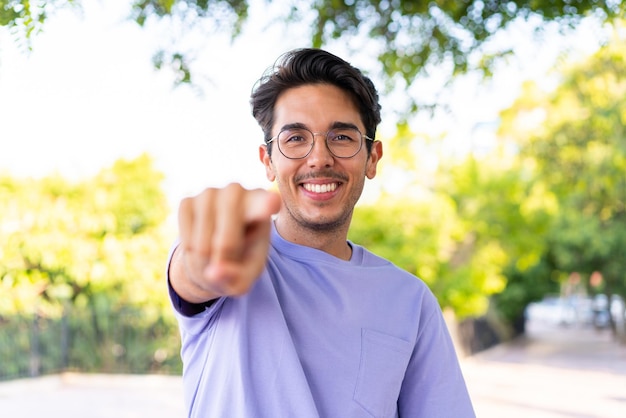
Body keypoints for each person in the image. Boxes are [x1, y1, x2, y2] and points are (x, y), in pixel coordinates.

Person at [167, 48, 476, 418]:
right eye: (295, 138)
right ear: (268, 161)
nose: (319, 158)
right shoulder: (235, 252)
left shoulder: (411, 301)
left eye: (341, 137)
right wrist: (203, 259)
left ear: (372, 158)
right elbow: (194, 274)